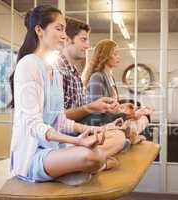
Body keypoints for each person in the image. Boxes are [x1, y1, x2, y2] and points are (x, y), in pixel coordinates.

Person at [8, 5, 109, 186]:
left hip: (54, 148)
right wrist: (76, 141)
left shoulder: (55, 71)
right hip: (32, 155)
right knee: (93, 157)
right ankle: (76, 169)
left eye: (64, 29)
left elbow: (60, 121)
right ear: (39, 30)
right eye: (59, 28)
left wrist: (88, 131)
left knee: (104, 146)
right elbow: (33, 124)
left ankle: (69, 170)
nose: (64, 35)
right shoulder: (28, 65)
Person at [56, 17, 129, 160]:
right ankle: (92, 160)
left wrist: (104, 110)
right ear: (67, 39)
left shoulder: (75, 73)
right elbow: (58, 119)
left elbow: (81, 112)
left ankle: (93, 159)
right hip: (68, 138)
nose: (88, 45)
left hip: (79, 132)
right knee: (121, 134)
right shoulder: (56, 71)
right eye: (83, 40)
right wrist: (92, 109)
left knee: (121, 131)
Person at [82, 39, 155, 144]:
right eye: (115, 54)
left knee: (144, 117)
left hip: (111, 118)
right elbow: (97, 111)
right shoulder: (97, 76)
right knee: (138, 119)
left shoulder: (109, 76)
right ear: (105, 56)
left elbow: (112, 106)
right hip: (101, 123)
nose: (118, 57)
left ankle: (129, 135)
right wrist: (130, 115)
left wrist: (124, 106)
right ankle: (128, 136)